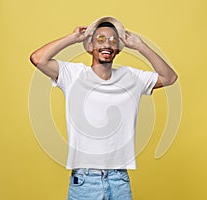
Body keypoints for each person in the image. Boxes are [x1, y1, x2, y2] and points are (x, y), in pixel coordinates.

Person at [30, 16, 178, 200]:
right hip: (84, 181)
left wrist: (140, 46)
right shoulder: (73, 75)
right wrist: (72, 38)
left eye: (112, 40)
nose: (107, 44)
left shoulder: (131, 77)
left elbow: (169, 78)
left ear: (117, 49)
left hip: (119, 179)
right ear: (90, 46)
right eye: (100, 39)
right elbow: (37, 59)